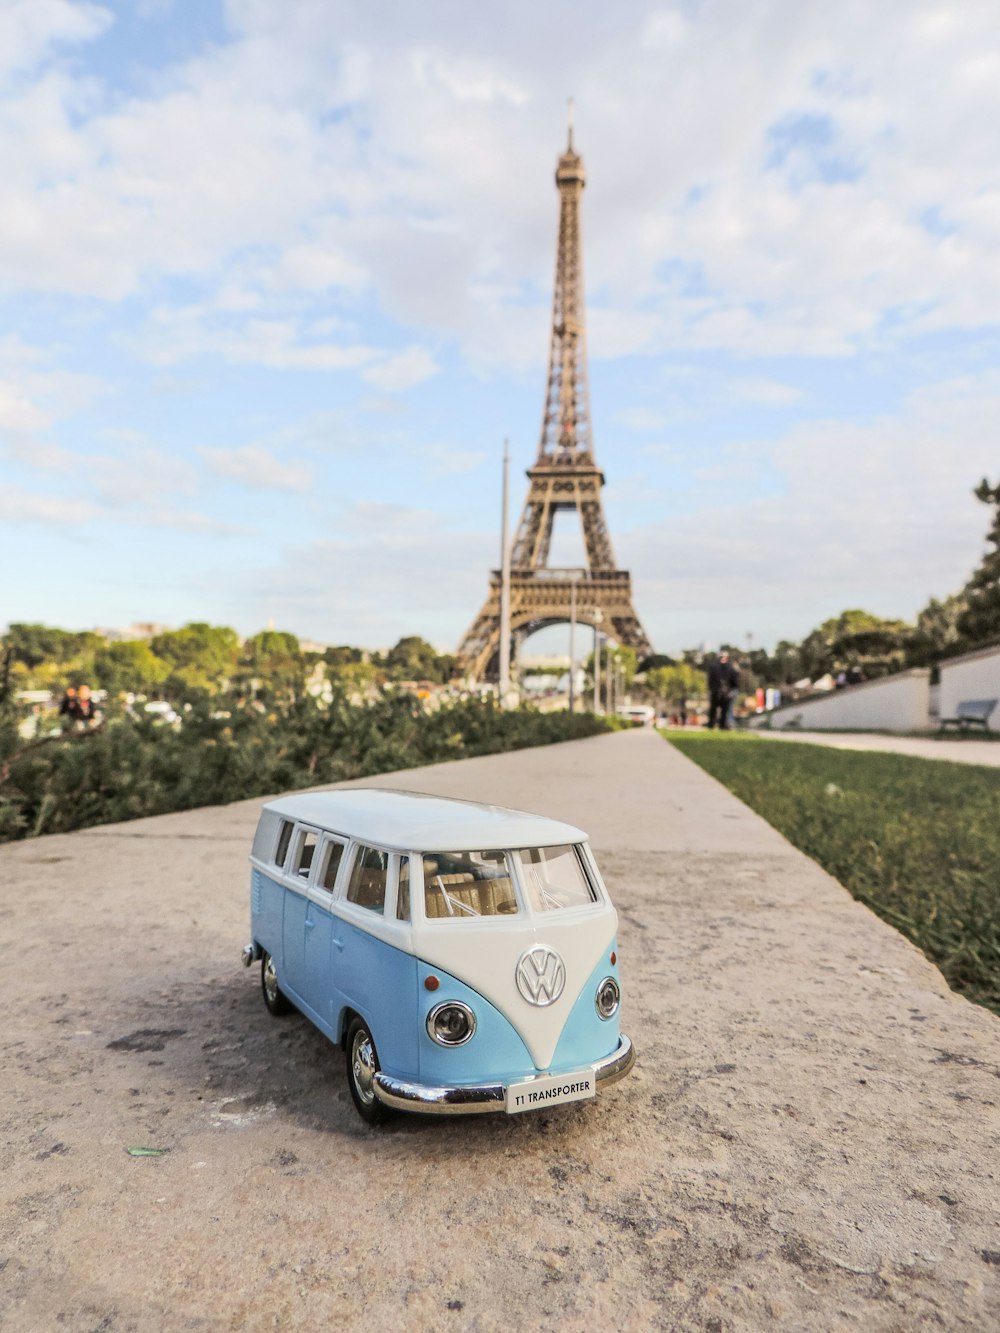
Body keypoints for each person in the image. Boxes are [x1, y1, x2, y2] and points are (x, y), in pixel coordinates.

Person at [706, 651, 740, 730]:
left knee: (714, 710)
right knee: (724, 711)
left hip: (717, 692)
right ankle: (722, 725)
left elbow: (710, 680)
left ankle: (712, 725)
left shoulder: (714, 667)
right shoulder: (730, 667)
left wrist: (712, 689)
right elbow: (735, 681)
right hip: (725, 692)